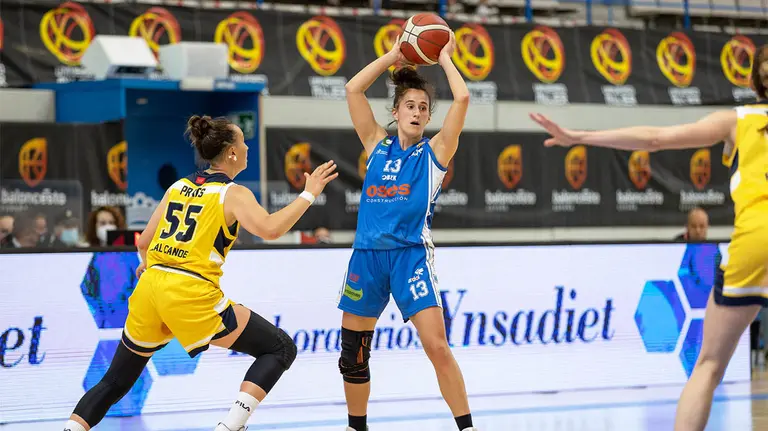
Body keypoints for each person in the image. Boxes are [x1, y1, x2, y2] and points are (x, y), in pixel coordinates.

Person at [529, 44, 768, 431]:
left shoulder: (738, 120)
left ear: (756, 82)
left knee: (707, 365)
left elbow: (655, 138)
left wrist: (581, 136)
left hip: (756, 237)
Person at [62, 115, 338, 431]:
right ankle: (231, 426)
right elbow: (271, 229)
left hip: (151, 288)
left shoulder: (178, 186)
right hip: (189, 291)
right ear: (232, 153)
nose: (247, 147)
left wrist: (147, 264)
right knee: (279, 348)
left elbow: (145, 241)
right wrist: (309, 193)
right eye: (243, 142)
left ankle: (72, 428)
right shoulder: (233, 193)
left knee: (114, 381)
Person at [339, 31, 477, 431]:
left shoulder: (435, 152)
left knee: (437, 346)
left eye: (423, 107)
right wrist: (394, 55)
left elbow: (464, 99)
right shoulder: (375, 144)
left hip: (410, 257)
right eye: (409, 106)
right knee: (354, 353)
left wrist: (446, 58)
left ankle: (467, 427)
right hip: (366, 257)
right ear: (396, 112)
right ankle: (356, 426)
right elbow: (352, 89)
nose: (416, 112)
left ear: (429, 117)